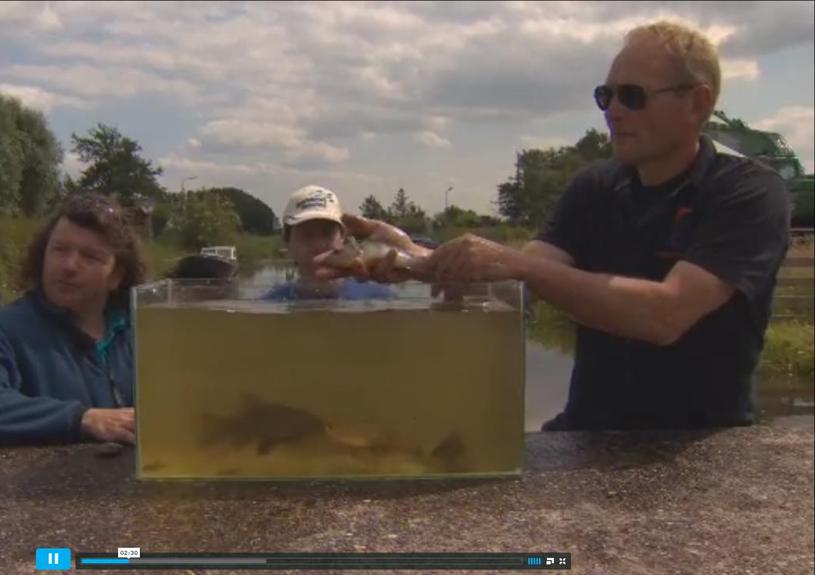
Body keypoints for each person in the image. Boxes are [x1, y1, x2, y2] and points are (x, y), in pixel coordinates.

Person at [323, 21, 791, 430]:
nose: (613, 111)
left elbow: (665, 316)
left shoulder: (747, 192)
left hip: (697, 447)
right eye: (606, 96)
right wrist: (409, 259)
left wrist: (516, 265)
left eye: (633, 96)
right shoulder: (596, 186)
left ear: (697, 103)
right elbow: (515, 278)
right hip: (587, 432)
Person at [0, 193, 146, 445]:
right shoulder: (2, 330)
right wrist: (80, 419)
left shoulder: (144, 332)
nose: (69, 266)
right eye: (60, 250)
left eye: (89, 256)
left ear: (116, 275)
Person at [263, 185, 397, 301]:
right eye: (307, 235)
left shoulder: (378, 298)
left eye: (327, 233)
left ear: (342, 238)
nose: (318, 245)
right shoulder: (273, 303)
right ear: (287, 242)